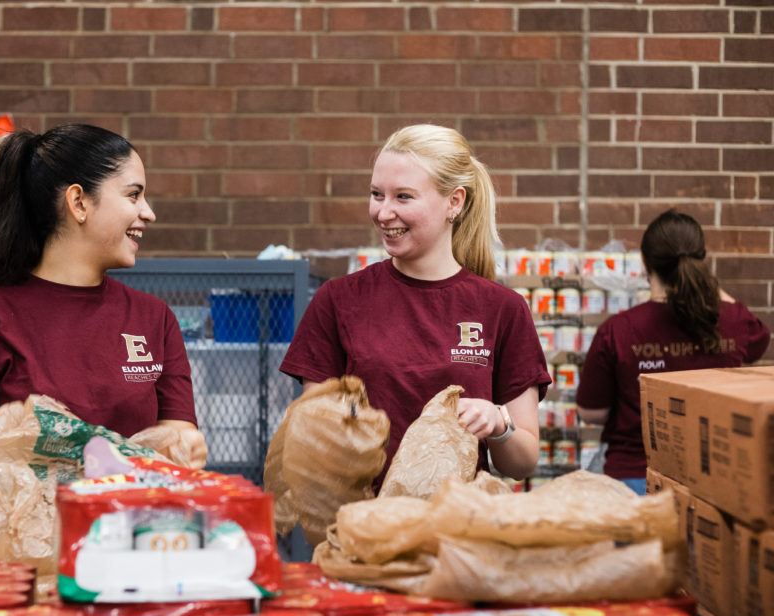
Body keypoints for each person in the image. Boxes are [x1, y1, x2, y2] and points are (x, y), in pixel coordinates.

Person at [0, 123, 206, 540]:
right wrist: (7, 435)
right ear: (78, 202)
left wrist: (179, 445)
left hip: (131, 536)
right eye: (133, 194)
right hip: (9, 544)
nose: (148, 212)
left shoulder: (153, 318)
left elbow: (181, 433)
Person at [280, 124, 551, 486]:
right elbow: (314, 444)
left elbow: (523, 462)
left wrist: (497, 423)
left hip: (459, 529)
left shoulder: (502, 309)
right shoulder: (339, 300)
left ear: (454, 202)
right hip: (366, 526)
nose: (384, 212)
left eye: (403, 197)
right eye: (377, 194)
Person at [576, 209, 770, 494]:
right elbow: (761, 339)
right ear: (702, 261)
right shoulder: (735, 322)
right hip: (714, 482)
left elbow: (590, 412)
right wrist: (705, 282)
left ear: (645, 265)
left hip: (635, 479)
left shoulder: (618, 330)